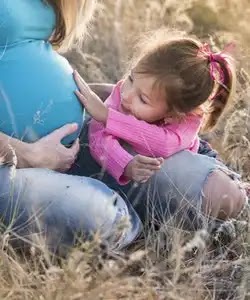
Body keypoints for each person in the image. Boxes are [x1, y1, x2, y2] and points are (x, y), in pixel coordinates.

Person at [0, 0, 142, 254]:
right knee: (104, 220)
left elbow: (20, 53)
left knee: (173, 174)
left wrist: (97, 99)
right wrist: (27, 154)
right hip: (10, 164)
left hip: (65, 149)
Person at [71, 29, 247, 228]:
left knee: (229, 186)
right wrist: (124, 164)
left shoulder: (187, 120)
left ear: (173, 114)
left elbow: (163, 143)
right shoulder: (124, 95)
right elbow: (98, 137)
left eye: (143, 99)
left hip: (192, 152)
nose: (127, 95)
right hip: (137, 161)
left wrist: (108, 116)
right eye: (131, 78)